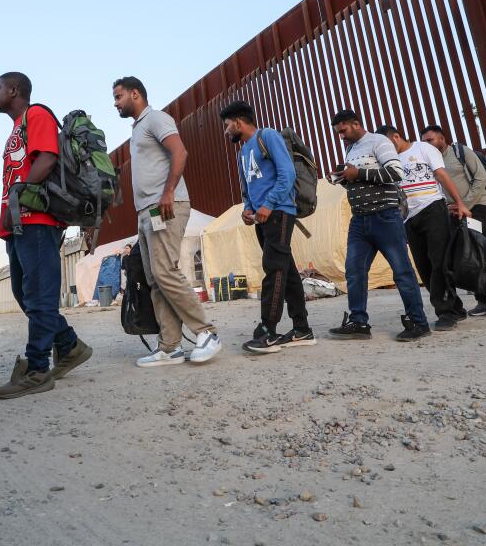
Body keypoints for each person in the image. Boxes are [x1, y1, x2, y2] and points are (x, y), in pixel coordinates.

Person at [0, 72, 92, 397]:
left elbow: (47, 158)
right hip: (18, 223)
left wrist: (18, 197)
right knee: (25, 295)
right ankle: (69, 345)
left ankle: (37, 370)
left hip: (37, 220)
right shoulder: (16, 126)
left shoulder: (36, 115)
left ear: (14, 90)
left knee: (39, 296)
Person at [114, 77, 220, 366]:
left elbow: (180, 151)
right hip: (147, 212)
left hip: (166, 206)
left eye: (119, 96)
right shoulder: (137, 129)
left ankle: (206, 333)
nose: (116, 103)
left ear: (136, 94)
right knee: (155, 279)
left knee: (165, 272)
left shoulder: (156, 119)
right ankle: (170, 346)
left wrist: (169, 191)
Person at [326, 110, 430, 341]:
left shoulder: (379, 141)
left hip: (385, 216)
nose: (341, 136)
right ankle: (358, 322)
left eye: (343, 131)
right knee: (354, 272)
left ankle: (418, 322)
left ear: (356, 124)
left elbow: (395, 172)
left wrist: (358, 172)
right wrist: (344, 178)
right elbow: (361, 180)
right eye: (338, 133)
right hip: (359, 219)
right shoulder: (351, 148)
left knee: (401, 271)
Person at [219, 100, 313, 354]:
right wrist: (248, 208)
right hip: (261, 218)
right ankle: (302, 328)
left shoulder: (268, 136)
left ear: (238, 122)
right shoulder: (242, 153)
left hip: (280, 212)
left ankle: (268, 330)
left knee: (274, 268)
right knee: (287, 269)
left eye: (227, 126)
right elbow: (246, 188)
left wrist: (269, 204)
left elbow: (287, 174)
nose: (226, 131)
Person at [378, 126, 472, 330]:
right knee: (424, 266)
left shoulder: (423, 149)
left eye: (387, 143)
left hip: (433, 209)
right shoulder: (387, 161)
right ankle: (455, 308)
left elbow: (442, 175)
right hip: (407, 217)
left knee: (439, 261)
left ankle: (446, 312)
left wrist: (460, 202)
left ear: (396, 137)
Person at [420, 125, 486, 315]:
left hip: (476, 206)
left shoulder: (461, 152)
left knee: (482, 250)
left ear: (442, 139)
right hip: (451, 212)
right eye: (424, 142)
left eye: (430, 140)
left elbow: (481, 178)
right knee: (465, 255)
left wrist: (464, 204)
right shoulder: (428, 161)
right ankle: (483, 300)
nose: (427, 144)